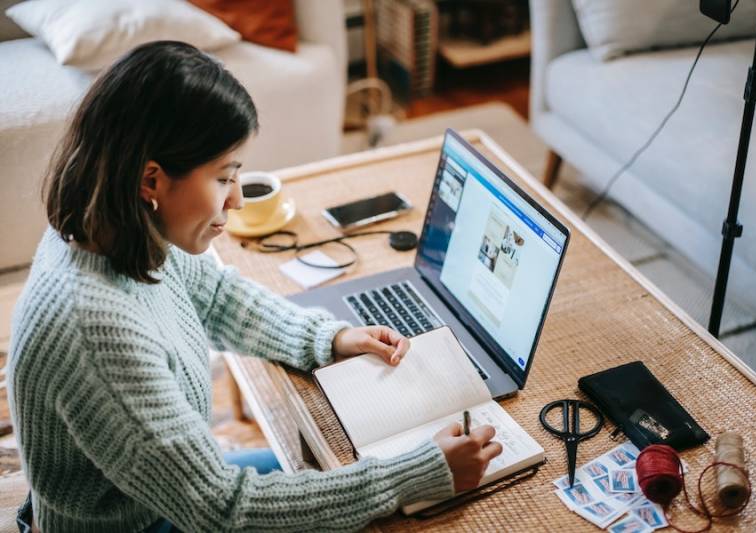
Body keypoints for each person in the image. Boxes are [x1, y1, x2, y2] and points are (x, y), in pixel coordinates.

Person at [6, 41, 502, 532]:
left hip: (159, 500)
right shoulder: (98, 330)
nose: (237, 199)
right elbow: (222, 509)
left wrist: (326, 339)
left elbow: (218, 299)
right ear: (151, 181)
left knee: (333, 463)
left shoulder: (119, 228)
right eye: (223, 178)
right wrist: (413, 476)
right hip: (138, 525)